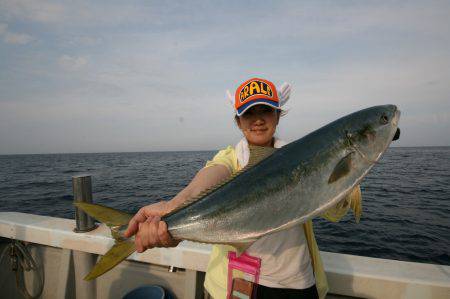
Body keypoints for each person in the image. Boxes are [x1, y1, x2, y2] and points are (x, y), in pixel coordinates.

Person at [124, 77, 362, 299]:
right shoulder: (230, 158)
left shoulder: (302, 157)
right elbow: (210, 176)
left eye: (265, 111)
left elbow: (333, 212)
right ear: (238, 122)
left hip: (297, 282)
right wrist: (173, 206)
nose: (258, 120)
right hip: (237, 284)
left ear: (278, 116)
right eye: (249, 113)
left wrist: (347, 177)